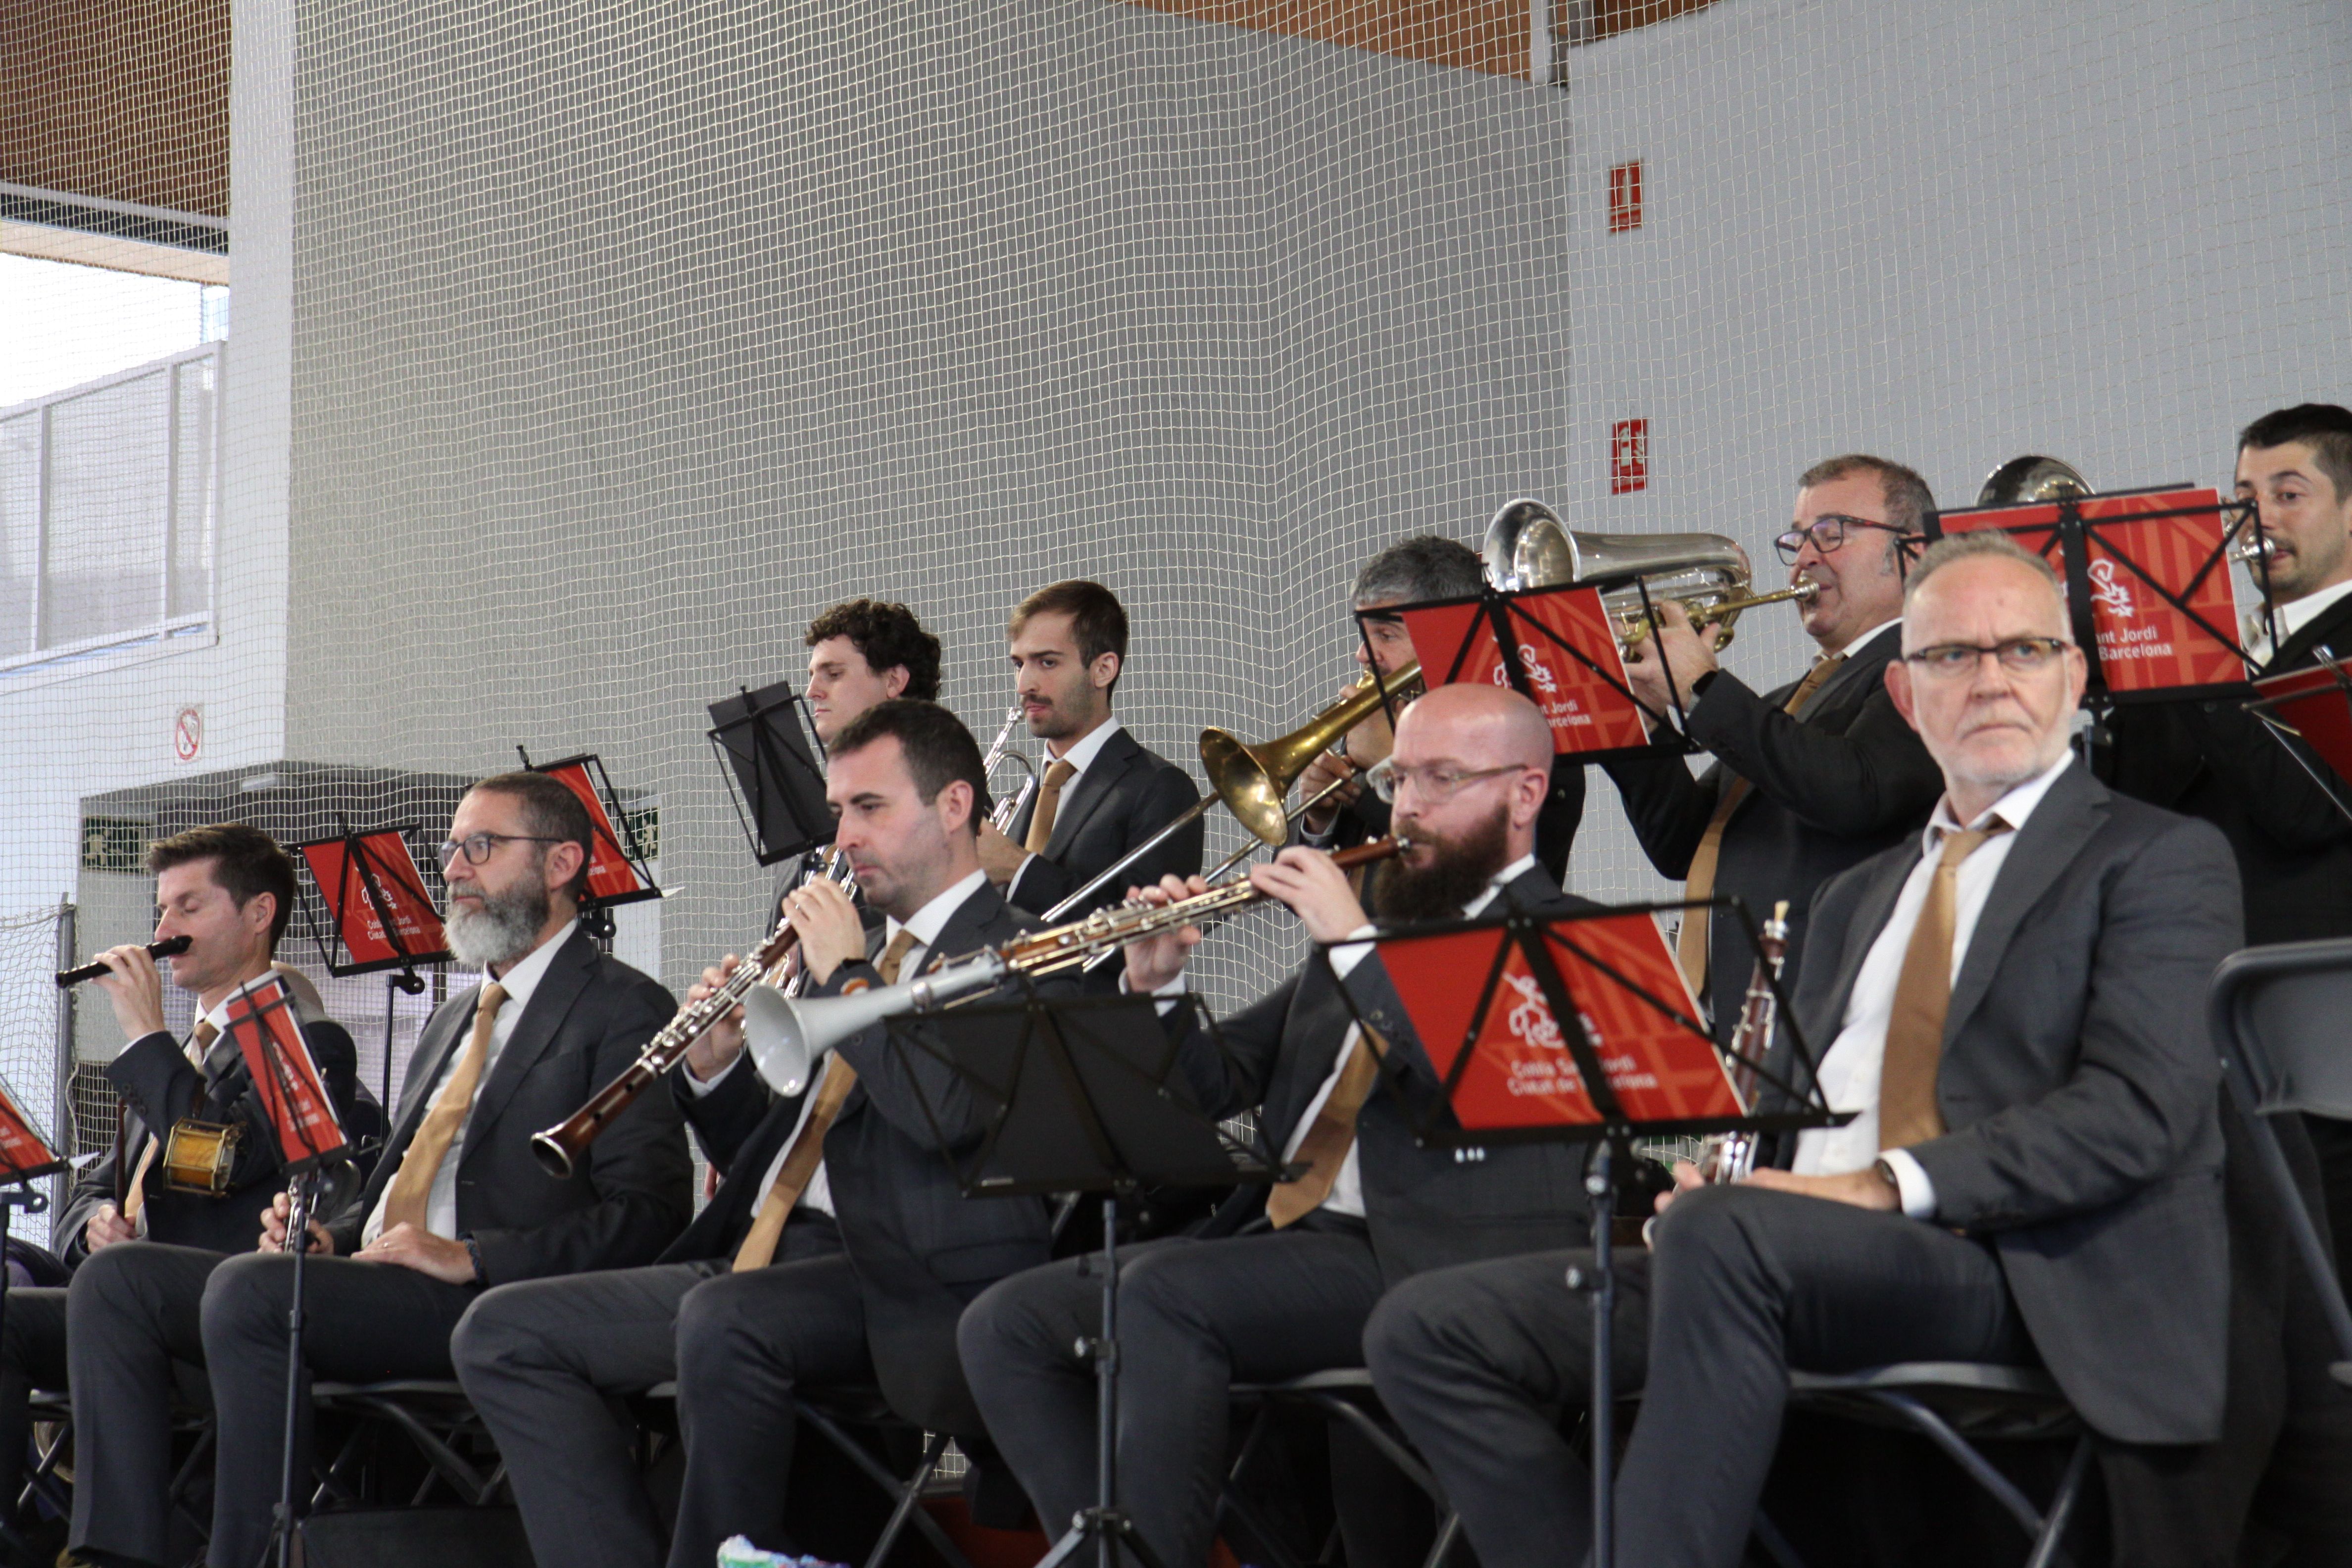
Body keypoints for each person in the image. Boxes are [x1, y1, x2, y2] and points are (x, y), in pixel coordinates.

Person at [1602, 531, 2236, 1567]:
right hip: (1795, 1253)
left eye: (2025, 651)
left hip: (2008, 1267)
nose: (1991, 680)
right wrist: (1722, 1177)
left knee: (1720, 1244)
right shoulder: (1857, 893)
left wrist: (1872, 1190)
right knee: (1446, 1324)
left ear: (2075, 676)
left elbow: (2140, 1113)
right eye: (1953, 657)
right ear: (1904, 696)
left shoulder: (2161, 858)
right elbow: (1789, 1118)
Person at [960, 683, 1606, 1568]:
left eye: (1442, 778)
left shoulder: (1571, 936)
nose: (1408, 803)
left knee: (1162, 1295)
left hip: (1441, 1257)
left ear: (1524, 793)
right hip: (1292, 1240)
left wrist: (1355, 948)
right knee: (1009, 1321)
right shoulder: (1375, 924)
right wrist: (1158, 986)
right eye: (1402, 776)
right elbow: (1218, 1079)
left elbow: (1484, 1077)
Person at [455, 701, 1065, 1568]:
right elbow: (778, 1150)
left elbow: (945, 1115)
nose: (842, 837)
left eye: (870, 807)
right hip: (763, 1256)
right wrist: (713, 1067)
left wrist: (847, 978)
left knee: (723, 1317)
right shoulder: (849, 961)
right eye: (837, 811)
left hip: (910, 1275)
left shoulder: (1013, 951)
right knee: (500, 1331)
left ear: (957, 805)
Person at [127, 771, 695, 1568]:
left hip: (491, 1301)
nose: (453, 870)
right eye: (452, 849)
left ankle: (253, 1558)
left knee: (248, 1291)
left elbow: (650, 1210)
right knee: (127, 1280)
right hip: (384, 1279)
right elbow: (395, 1182)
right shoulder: (459, 1010)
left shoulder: (622, 1005)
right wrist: (332, 1234)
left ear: (563, 863)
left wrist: (474, 1258)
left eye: (482, 848)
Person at [2099, 402, 2352, 1560]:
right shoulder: (2230, 655)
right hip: (2206, 1053)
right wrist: (2131, 667)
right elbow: (2141, 801)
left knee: (2320, 1348)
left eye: (2286, 492)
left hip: (2317, 1056)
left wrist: (2195, 653)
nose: (2254, 518)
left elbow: (2305, 809)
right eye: (2240, 495)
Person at [7, 828, 359, 1560]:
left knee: (119, 1280)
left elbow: (213, 1164)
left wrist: (141, 1031)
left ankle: (114, 1552)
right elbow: (97, 1185)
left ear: (260, 914)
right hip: (116, 1299)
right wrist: (93, 1222)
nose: (162, 932)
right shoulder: (180, 1052)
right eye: (160, 911)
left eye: (187, 908)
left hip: (216, 1309)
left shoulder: (305, 1041)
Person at [1601, 455, 1944, 1040]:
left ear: (1910, 551)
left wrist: (1705, 689)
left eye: (1832, 533)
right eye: (1798, 539)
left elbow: (1854, 792)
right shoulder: (1790, 702)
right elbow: (1684, 846)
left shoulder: (1927, 669)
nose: (1806, 557)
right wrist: (1644, 721)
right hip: (1746, 1016)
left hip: (1838, 1016)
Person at [1295, 535, 1585, 888]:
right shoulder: (1378, 723)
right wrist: (1319, 821)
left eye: (1385, 634)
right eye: (1365, 634)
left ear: (1451, 635)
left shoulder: (1532, 743)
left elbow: (1487, 873)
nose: (1363, 655)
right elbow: (1299, 895)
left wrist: (1390, 766)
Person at [975, 581, 1204, 945]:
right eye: (1019, 664)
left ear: (1103, 670)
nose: (1024, 684)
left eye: (1047, 662)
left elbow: (1147, 935)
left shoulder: (1159, 787)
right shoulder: (1019, 799)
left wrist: (1018, 869)